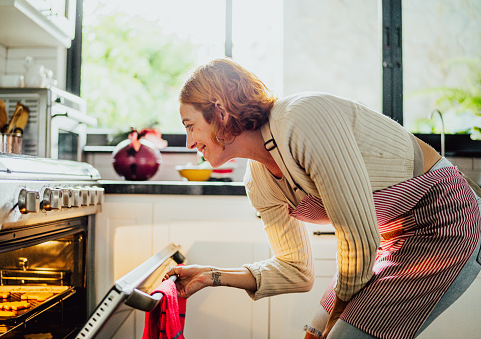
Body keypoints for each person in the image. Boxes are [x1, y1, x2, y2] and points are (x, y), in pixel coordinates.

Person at [164, 58, 481, 339]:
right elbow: (295, 271)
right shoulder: (259, 182)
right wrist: (212, 276)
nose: (190, 141)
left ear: (219, 111)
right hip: (388, 240)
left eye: (190, 126)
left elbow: (358, 237)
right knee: (315, 333)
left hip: (445, 223)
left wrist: (334, 320)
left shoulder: (302, 119)